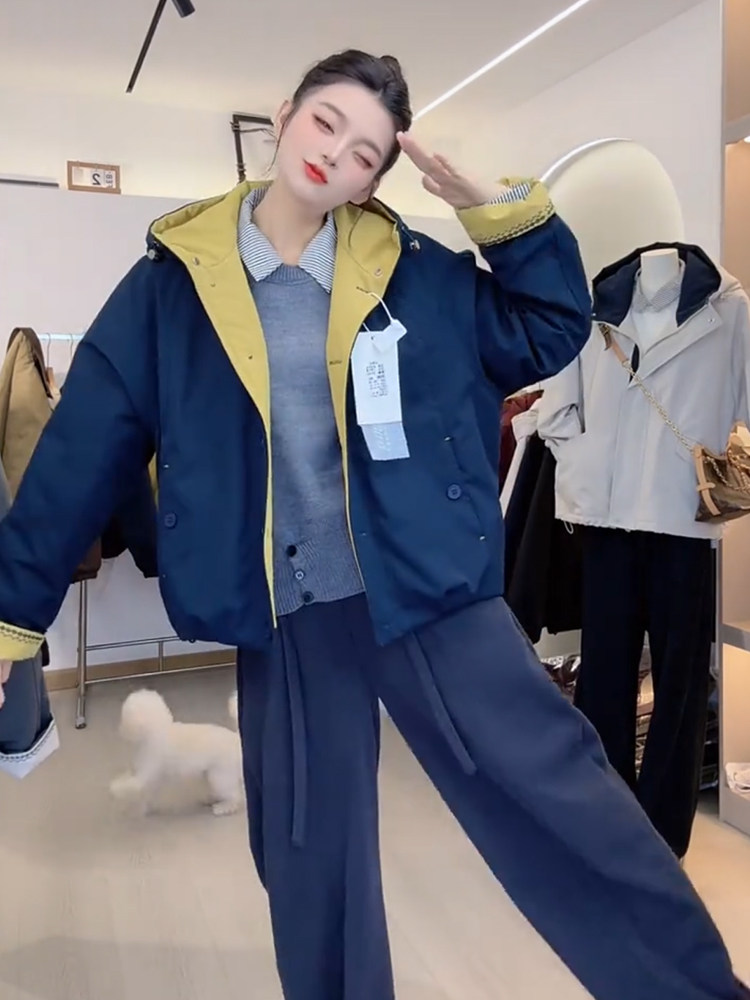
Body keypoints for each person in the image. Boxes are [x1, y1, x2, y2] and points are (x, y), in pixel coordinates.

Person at [0, 48, 746, 1000]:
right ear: (284, 115)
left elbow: (547, 329)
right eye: (326, 123)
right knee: (311, 855)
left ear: (372, 180)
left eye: (365, 152)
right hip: (288, 608)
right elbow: (80, 452)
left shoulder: (415, 273)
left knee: (565, 798)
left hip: (428, 588)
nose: (335, 154)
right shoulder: (171, 286)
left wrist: (495, 212)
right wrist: (12, 620)